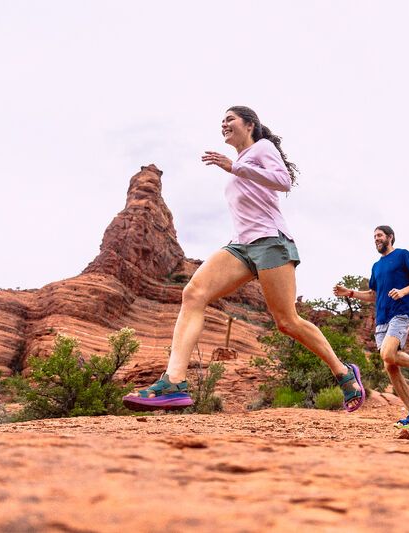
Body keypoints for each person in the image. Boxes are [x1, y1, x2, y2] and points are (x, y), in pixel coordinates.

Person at [124, 106, 364, 412]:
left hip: (271, 242)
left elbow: (283, 180)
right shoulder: (240, 161)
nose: (223, 124)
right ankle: (174, 382)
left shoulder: (261, 148)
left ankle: (344, 374)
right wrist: (236, 167)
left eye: (230, 119)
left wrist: (235, 169)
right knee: (193, 294)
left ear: (249, 125)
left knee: (287, 322)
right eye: (221, 120)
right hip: (240, 246)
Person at [333, 226, 409, 429]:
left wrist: (403, 291)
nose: (376, 239)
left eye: (380, 236)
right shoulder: (376, 266)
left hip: (399, 314)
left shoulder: (402, 255)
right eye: (374, 236)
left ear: (390, 237)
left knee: (387, 354)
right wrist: (350, 293)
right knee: (390, 365)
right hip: (381, 320)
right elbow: (373, 295)